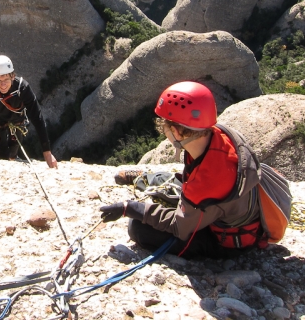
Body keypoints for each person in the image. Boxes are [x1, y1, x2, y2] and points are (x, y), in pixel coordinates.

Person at [99, 81, 263, 258]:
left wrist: (129, 208)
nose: (165, 133)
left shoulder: (207, 181)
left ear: (177, 132)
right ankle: (146, 178)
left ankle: (146, 185)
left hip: (228, 241)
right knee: (173, 180)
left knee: (138, 228)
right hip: (232, 210)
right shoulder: (219, 135)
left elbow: (178, 227)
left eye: (166, 129)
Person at [0, 55, 58, 169]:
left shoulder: (22, 88)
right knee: (0, 155)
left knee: (13, 153)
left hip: (16, 122)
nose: (3, 85)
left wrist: (47, 152)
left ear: (13, 76)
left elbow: (37, 117)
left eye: (6, 80)